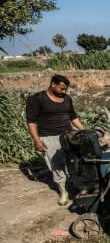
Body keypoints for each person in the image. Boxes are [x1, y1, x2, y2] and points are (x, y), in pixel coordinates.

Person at [26, 74, 85, 205]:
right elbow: (31, 121)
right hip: (49, 137)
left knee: (73, 161)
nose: (64, 92)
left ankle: (78, 185)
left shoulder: (67, 99)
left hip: (68, 136)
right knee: (56, 166)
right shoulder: (37, 99)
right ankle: (63, 191)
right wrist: (37, 140)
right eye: (62, 89)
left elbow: (73, 117)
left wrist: (83, 130)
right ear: (53, 84)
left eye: (66, 90)